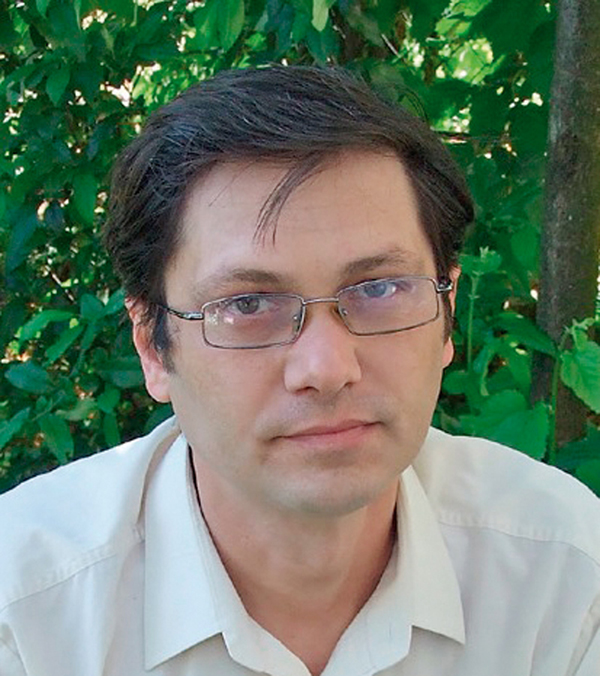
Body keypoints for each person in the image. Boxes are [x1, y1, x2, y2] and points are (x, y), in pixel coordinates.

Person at [1, 66, 599, 676]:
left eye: (380, 288)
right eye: (247, 306)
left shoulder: (562, 574)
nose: (328, 368)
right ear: (152, 348)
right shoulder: (25, 615)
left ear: (447, 314)